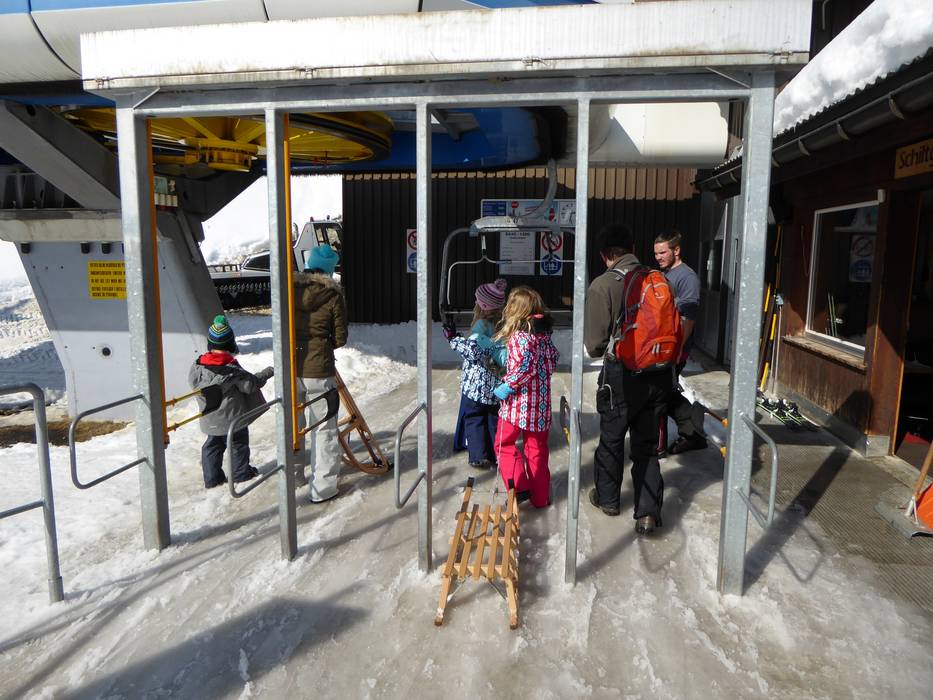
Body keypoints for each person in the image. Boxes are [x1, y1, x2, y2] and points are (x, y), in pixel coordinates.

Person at [584, 223, 674, 534]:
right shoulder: (657, 278)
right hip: (658, 373)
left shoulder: (603, 285)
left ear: (604, 255)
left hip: (621, 375)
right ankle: (647, 513)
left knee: (612, 438)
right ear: (633, 248)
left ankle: (608, 499)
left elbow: (594, 345)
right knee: (646, 445)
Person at [492, 286, 559, 508]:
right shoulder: (544, 335)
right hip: (540, 406)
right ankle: (540, 497)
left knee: (503, 444)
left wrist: (507, 385)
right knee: (536, 451)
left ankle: (519, 487)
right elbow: (551, 362)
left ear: (515, 309)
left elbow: (525, 368)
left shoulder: (521, 335)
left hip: (518, 405)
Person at [188, 314, 273, 489]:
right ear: (230, 344)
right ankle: (240, 474)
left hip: (210, 418)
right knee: (238, 444)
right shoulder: (232, 371)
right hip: (233, 420)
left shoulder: (197, 366)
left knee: (212, 446)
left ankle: (212, 479)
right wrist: (269, 372)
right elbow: (250, 385)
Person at [294, 244, 348, 503]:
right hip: (318, 368)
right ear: (329, 269)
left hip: (290, 366)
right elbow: (340, 337)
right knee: (323, 426)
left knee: (292, 425)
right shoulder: (332, 295)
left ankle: (292, 477)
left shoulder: (289, 290)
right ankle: (322, 488)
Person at [654, 228, 708, 455]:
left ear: (676, 250)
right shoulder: (664, 274)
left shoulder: (687, 278)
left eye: (663, 253)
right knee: (664, 393)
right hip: (662, 347)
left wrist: (677, 350)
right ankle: (692, 433)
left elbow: (689, 318)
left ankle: (680, 438)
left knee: (660, 395)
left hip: (676, 349)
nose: (658, 257)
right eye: (656, 253)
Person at [444, 279, 508, 469]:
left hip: (476, 387)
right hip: (495, 386)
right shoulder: (504, 324)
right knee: (493, 419)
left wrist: (453, 339)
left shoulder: (481, 325)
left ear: (483, 305)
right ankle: (496, 454)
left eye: (477, 300)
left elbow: (473, 351)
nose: (474, 302)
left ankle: (478, 455)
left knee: (474, 418)